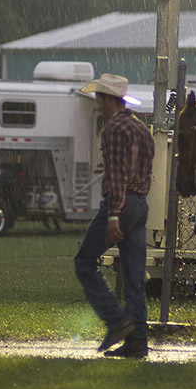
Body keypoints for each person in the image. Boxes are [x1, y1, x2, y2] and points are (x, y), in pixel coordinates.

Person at [73, 73, 154, 358]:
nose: (97, 105)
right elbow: (145, 174)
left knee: (84, 262)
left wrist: (114, 215)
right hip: (141, 204)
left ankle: (116, 321)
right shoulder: (142, 129)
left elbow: (117, 175)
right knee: (134, 278)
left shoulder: (113, 130)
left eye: (99, 98)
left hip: (120, 204)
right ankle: (137, 343)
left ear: (110, 99)